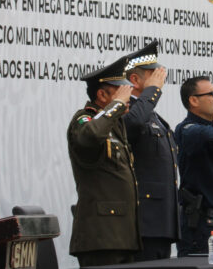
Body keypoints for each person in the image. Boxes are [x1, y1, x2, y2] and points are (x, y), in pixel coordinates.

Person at [67, 56, 140, 266]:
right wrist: (116, 105)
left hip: (122, 235)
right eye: (122, 93)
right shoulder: (84, 120)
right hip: (100, 236)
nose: (128, 99)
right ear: (102, 94)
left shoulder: (114, 125)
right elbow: (89, 136)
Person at [122, 41, 179, 261]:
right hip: (144, 220)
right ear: (135, 80)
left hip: (161, 221)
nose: (160, 79)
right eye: (153, 74)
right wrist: (153, 91)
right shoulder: (127, 109)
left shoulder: (150, 113)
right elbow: (133, 123)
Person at [174, 76, 213, 256]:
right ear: (193, 100)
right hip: (202, 224)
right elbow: (203, 134)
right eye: (212, 94)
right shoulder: (187, 129)